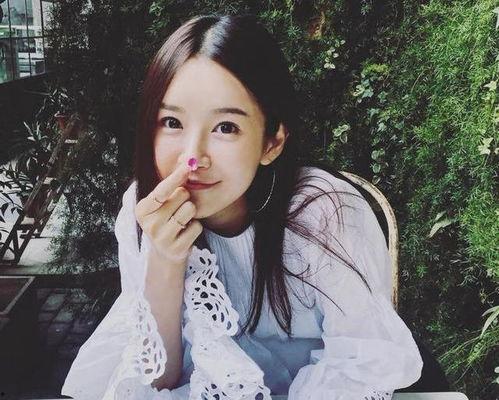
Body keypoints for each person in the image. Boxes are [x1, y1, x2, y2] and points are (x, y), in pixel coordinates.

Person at [61, 13, 423, 400]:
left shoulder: (322, 214)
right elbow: (159, 381)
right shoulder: (142, 212)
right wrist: (164, 259)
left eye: (226, 127)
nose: (192, 158)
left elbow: (362, 366)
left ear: (272, 143)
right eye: (172, 122)